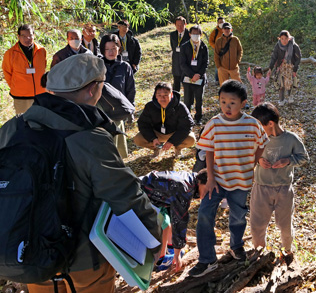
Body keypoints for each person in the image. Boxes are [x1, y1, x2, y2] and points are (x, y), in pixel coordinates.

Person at [0, 53, 161, 293]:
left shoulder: (13, 128)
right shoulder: (90, 137)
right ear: (92, 89)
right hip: (84, 262)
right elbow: (124, 195)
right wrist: (153, 238)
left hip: (30, 255)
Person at [189, 80, 268, 277]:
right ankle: (207, 259)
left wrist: (255, 162)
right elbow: (207, 150)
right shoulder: (215, 123)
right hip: (216, 180)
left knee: (238, 216)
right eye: (223, 102)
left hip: (241, 181)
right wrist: (210, 178)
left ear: (243, 103)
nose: (227, 107)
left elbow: (262, 143)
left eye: (232, 102)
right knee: (205, 215)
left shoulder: (251, 124)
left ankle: (236, 246)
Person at [250, 103, 309, 256]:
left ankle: (287, 253)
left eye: (259, 126)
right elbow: (248, 154)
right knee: (257, 225)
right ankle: (259, 254)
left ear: (270, 124)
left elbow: (303, 158)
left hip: (284, 188)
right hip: (261, 187)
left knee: (285, 226)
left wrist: (287, 160)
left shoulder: (291, 139)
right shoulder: (257, 138)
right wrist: (258, 160)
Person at [139, 170, 208, 272]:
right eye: (207, 190)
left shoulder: (189, 180)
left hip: (153, 197)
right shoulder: (184, 189)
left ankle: (171, 248)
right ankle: (160, 260)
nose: (208, 194)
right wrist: (178, 252)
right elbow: (180, 220)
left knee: (170, 221)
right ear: (201, 182)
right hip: (140, 196)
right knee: (165, 225)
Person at [133, 82, 197, 158]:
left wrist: (172, 141)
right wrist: (153, 138)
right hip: (157, 133)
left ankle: (178, 148)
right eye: (159, 95)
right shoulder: (150, 106)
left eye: (165, 95)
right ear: (155, 95)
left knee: (191, 139)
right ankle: (156, 148)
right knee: (138, 139)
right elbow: (143, 123)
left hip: (174, 132)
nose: (162, 98)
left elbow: (187, 126)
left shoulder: (180, 106)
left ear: (171, 94)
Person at [100, 34, 135, 158]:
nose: (111, 52)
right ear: (102, 50)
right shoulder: (98, 65)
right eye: (107, 49)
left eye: (114, 48)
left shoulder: (125, 67)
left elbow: (131, 90)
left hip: (118, 110)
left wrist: (130, 109)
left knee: (118, 141)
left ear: (119, 49)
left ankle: (119, 163)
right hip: (101, 110)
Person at [2, 24, 47, 115]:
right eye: (24, 36)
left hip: (40, 94)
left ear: (34, 35)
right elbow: (7, 73)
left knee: (40, 120)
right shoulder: (10, 53)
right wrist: (17, 86)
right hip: (21, 96)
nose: (27, 38)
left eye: (30, 35)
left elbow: (44, 68)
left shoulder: (41, 50)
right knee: (23, 122)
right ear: (18, 36)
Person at [180, 25, 209, 125]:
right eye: (193, 33)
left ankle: (198, 118)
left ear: (200, 34)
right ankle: (187, 118)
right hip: (188, 77)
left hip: (200, 78)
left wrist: (199, 75)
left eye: (197, 34)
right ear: (189, 34)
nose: (195, 35)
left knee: (199, 100)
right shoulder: (184, 46)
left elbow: (206, 63)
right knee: (187, 100)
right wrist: (192, 75)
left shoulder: (203, 47)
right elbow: (182, 64)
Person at [268, 30, 301, 105]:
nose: (284, 40)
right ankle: (281, 99)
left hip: (290, 66)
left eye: (285, 38)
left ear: (289, 38)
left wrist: (295, 69)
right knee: (281, 84)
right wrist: (270, 68)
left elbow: (298, 58)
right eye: (282, 38)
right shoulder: (278, 46)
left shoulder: (294, 45)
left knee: (289, 83)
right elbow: (274, 57)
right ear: (279, 39)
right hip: (281, 66)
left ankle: (290, 96)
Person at [170, 16, 190, 92]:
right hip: (176, 61)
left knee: (187, 83)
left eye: (181, 25)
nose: (180, 27)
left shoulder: (189, 34)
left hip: (186, 62)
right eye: (178, 25)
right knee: (176, 83)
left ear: (185, 24)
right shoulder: (172, 34)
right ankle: (176, 100)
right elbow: (173, 47)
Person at [208, 16, 225, 85]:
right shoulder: (215, 31)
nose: (221, 23)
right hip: (217, 51)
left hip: (227, 51)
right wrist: (215, 47)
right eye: (220, 22)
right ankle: (217, 80)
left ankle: (224, 79)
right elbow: (211, 41)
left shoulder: (227, 29)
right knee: (217, 66)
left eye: (222, 22)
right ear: (217, 23)